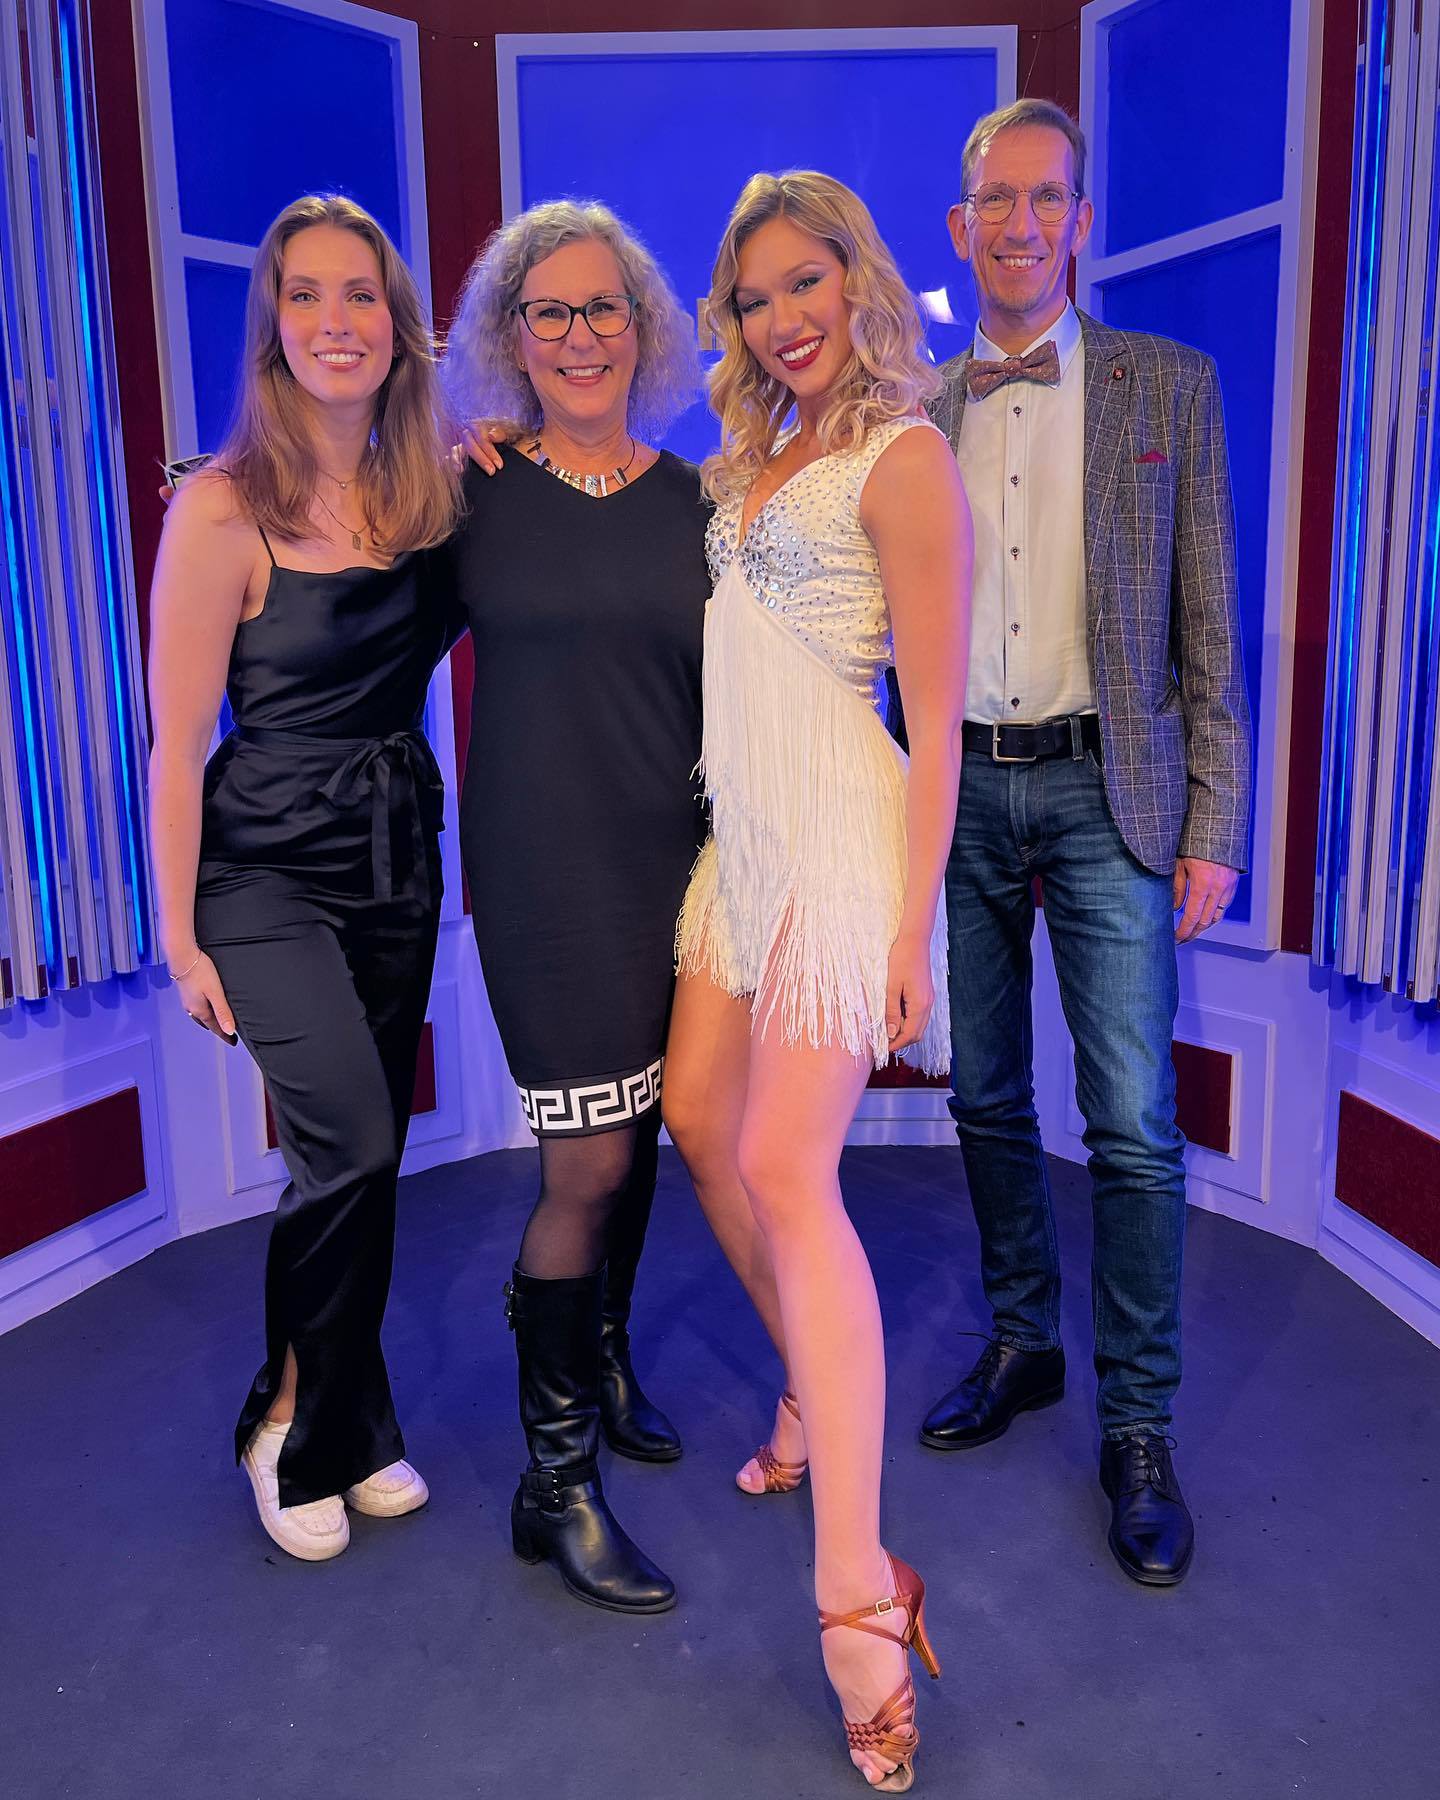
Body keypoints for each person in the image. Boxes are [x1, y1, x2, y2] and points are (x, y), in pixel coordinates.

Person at [664, 173, 971, 1791]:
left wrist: (912, 930)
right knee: (699, 1124)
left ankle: (858, 1593)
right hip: (747, 835)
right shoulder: (746, 461)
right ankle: (805, 1389)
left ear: (858, 280)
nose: (784, 317)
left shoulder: (904, 459)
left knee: (790, 1165)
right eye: (755, 294)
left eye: (808, 281)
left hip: (847, 828)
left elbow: (938, 724)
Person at [917, 99, 1251, 1587]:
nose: (1020, 222)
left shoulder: (1167, 385)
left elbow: (1208, 624)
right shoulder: (914, 409)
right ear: (959, 225)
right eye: (994, 199)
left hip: (1115, 790)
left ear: (1080, 220)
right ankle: (1023, 1342)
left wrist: (1214, 822)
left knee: (1131, 1124)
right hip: (961, 796)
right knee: (985, 1095)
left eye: (1045, 197)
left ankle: (1139, 1427)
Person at [147, 194, 461, 1561]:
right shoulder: (220, 505)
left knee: (360, 1156)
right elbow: (174, 746)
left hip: (394, 858)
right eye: (306, 294)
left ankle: (356, 1418)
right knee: (354, 1143)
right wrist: (179, 937)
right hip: (262, 871)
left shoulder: (434, 496)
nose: (337, 320)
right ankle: (284, 1421)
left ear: (398, 325)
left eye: (362, 294)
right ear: (272, 325)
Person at [440, 202, 708, 1615]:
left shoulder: (700, 503)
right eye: (549, 311)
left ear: (643, 327)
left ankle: (601, 1355)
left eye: (603, 307)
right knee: (587, 1162)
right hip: (542, 871)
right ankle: (555, 1487)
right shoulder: (471, 494)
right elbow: (346, 595)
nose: (580, 334)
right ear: (513, 337)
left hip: (681, 866)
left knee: (642, 1132)